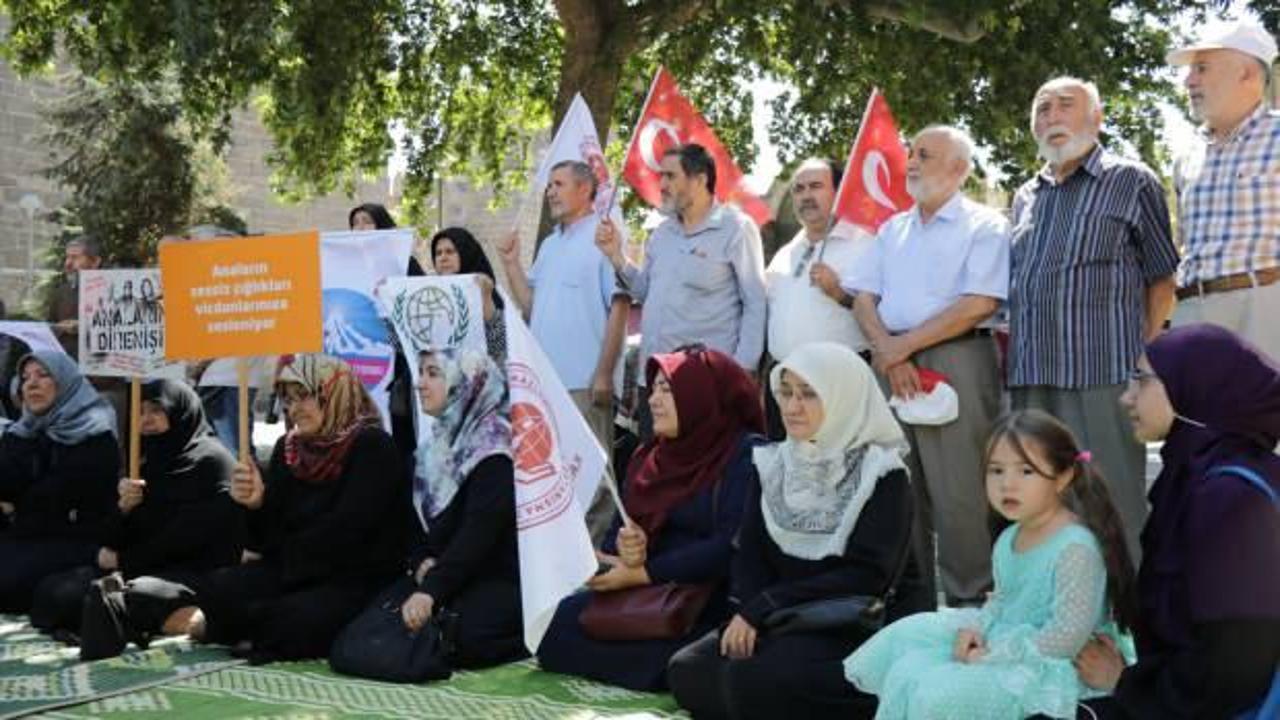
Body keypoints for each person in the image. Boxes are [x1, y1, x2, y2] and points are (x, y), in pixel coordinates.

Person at [667, 342, 924, 719]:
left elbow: (867, 576)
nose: (791, 407)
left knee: (760, 680)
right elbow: (750, 552)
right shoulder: (774, 463)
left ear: (842, 396)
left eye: (808, 394)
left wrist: (767, 606)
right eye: (786, 392)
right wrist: (751, 613)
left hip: (848, 624)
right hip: (779, 620)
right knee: (688, 669)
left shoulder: (881, 474)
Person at [102, 355, 405, 663]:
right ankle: (239, 627)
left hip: (351, 575)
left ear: (336, 394)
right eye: (288, 399)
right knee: (221, 587)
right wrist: (257, 505)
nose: (294, 409)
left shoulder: (371, 446)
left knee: (292, 618)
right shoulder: (289, 449)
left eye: (305, 396)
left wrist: (281, 565)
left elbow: (348, 532)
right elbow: (265, 539)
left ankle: (238, 629)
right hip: (293, 567)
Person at [845, 409, 1138, 720]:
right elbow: (1001, 600)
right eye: (996, 470)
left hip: (1051, 665)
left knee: (934, 695)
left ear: (1063, 477)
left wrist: (992, 654)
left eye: (1026, 471)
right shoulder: (1010, 537)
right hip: (1007, 636)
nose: (1007, 484)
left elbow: (1066, 637)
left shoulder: (1075, 548)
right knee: (906, 638)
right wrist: (976, 630)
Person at [1068, 324, 1280, 718]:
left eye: (1142, 380)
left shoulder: (1229, 498)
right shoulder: (1201, 474)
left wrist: (1127, 685)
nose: (1126, 397)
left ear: (1196, 385)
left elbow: (1236, 667)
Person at [1008, 77, 1180, 561]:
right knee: (1043, 504)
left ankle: (1130, 606)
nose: (1052, 116)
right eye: (1042, 108)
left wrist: (1144, 361)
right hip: (1033, 375)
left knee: (1113, 504)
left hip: (1104, 373)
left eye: (1066, 105)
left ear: (1096, 118)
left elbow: (1162, 279)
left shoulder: (1131, 180)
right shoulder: (1024, 196)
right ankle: (1060, 600)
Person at [846, 124, 1009, 606]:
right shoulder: (891, 229)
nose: (912, 163)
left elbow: (979, 303)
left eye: (925, 155)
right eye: (911, 153)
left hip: (957, 359)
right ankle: (907, 605)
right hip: (891, 363)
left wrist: (901, 347)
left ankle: (970, 603)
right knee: (898, 487)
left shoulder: (984, 225)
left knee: (961, 491)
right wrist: (889, 349)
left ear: (958, 168)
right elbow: (863, 298)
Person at [536, 346, 764, 691]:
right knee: (553, 627)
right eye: (653, 389)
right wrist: (621, 554)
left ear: (700, 396)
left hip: (702, 597)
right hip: (646, 592)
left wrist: (644, 572)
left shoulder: (743, 454)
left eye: (667, 390)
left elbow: (729, 547)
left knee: (685, 659)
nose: (653, 400)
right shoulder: (649, 456)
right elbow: (618, 533)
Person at [336, 348, 523, 679]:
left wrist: (430, 591)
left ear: (466, 383)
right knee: (360, 636)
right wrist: (420, 561)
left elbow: (477, 538)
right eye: (421, 373)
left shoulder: (495, 452)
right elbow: (410, 525)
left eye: (433, 374)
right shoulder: (430, 450)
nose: (420, 384)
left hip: (491, 575)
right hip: (441, 573)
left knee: (460, 637)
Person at [29, 379, 243, 637]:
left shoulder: (212, 462)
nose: (146, 420)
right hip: (143, 564)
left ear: (181, 412)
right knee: (56, 590)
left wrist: (125, 561)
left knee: (135, 594)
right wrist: (123, 509)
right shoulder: (147, 459)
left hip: (195, 570)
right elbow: (113, 537)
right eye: (140, 412)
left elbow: (186, 537)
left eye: (156, 410)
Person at [496, 160, 628, 544]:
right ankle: (561, 554)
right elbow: (530, 304)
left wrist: (604, 372)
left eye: (558, 184)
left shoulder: (604, 237)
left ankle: (593, 559)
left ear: (585, 189)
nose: (550, 192)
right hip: (546, 384)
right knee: (553, 474)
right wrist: (511, 264)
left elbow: (620, 305)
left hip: (585, 382)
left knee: (594, 476)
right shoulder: (550, 244)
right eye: (549, 185)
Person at [596, 144, 767, 431]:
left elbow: (756, 302)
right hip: (654, 383)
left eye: (670, 176)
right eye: (660, 176)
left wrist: (743, 369)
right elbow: (645, 292)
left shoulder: (737, 228)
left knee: (705, 460)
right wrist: (616, 256)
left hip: (705, 385)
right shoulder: (662, 234)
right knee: (655, 460)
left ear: (699, 180)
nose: (661, 185)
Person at [1166, 23, 1280, 361]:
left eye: (1202, 68)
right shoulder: (1186, 156)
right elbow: (1182, 244)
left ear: (1246, 73)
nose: (1188, 81)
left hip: (1265, 309)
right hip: (1191, 311)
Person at [0, 351, 119, 613]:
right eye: (25, 378)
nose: (31, 384)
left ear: (66, 383)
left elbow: (56, 496)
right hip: (27, 539)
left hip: (76, 543)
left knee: (51, 594)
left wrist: (16, 503)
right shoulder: (23, 431)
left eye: (43, 375)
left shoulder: (94, 433)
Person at [763, 158, 870, 439]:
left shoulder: (866, 244)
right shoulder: (786, 253)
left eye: (815, 186)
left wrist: (840, 294)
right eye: (798, 189)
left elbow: (887, 316)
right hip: (785, 385)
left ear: (839, 192)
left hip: (839, 384)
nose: (806, 196)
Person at [348, 202, 424, 469]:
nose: (360, 228)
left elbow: (421, 308)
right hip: (359, 359)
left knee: (402, 434)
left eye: (367, 221)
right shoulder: (346, 268)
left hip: (399, 368)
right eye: (355, 223)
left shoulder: (403, 264)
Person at [430, 227, 508, 363]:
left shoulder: (486, 290)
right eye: (438, 253)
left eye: (450, 252)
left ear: (466, 253)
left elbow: (500, 349)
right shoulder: (429, 296)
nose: (443, 258)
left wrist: (486, 298)